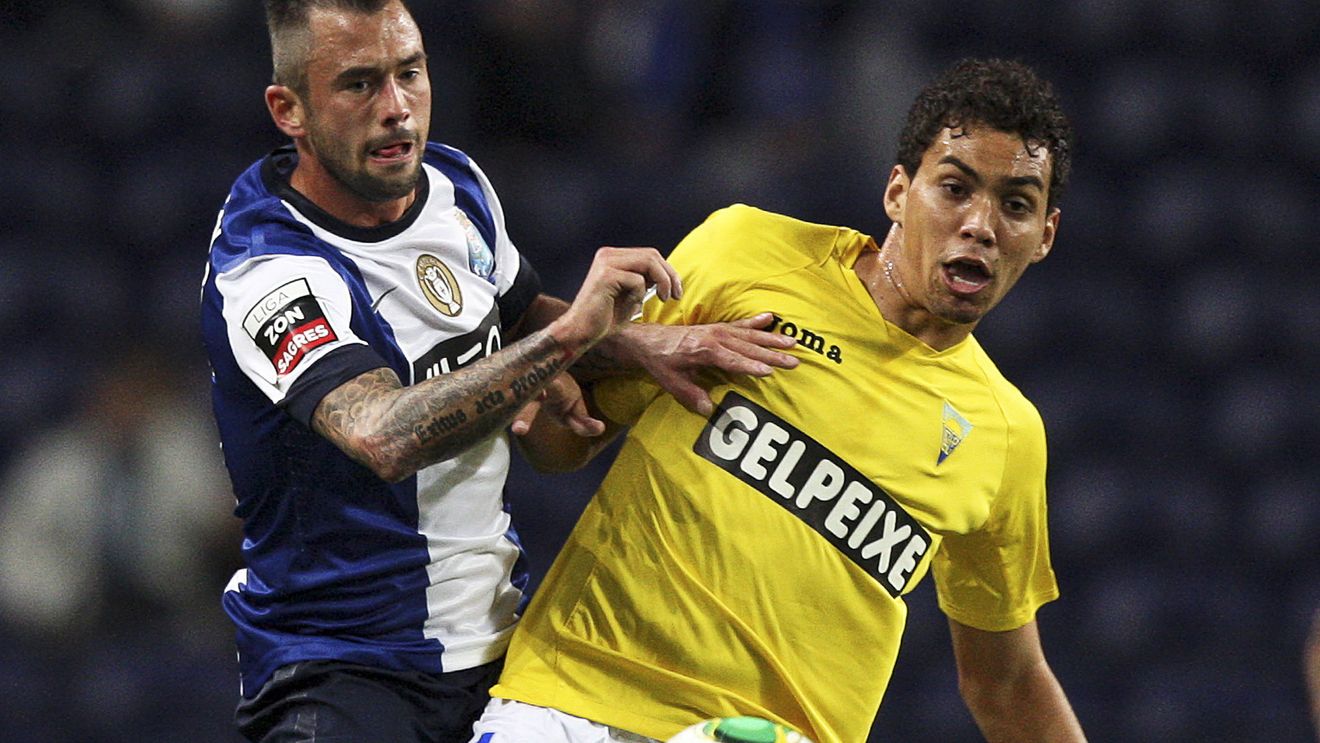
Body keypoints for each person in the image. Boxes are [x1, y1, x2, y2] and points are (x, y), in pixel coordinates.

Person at [200, 2, 796, 742]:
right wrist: (576, 332)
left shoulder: (456, 186)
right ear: (288, 109)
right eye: (358, 85)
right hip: (343, 672)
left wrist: (644, 346)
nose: (396, 109)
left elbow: (514, 319)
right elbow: (382, 433)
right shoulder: (268, 268)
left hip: (500, 648)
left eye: (409, 74)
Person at [471, 58, 1088, 743]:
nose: (980, 225)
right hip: (577, 700)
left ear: (1044, 237)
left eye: (1016, 204)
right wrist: (563, 355)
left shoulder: (1004, 435)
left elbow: (1005, 682)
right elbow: (563, 443)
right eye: (954, 187)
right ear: (896, 192)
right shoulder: (746, 251)